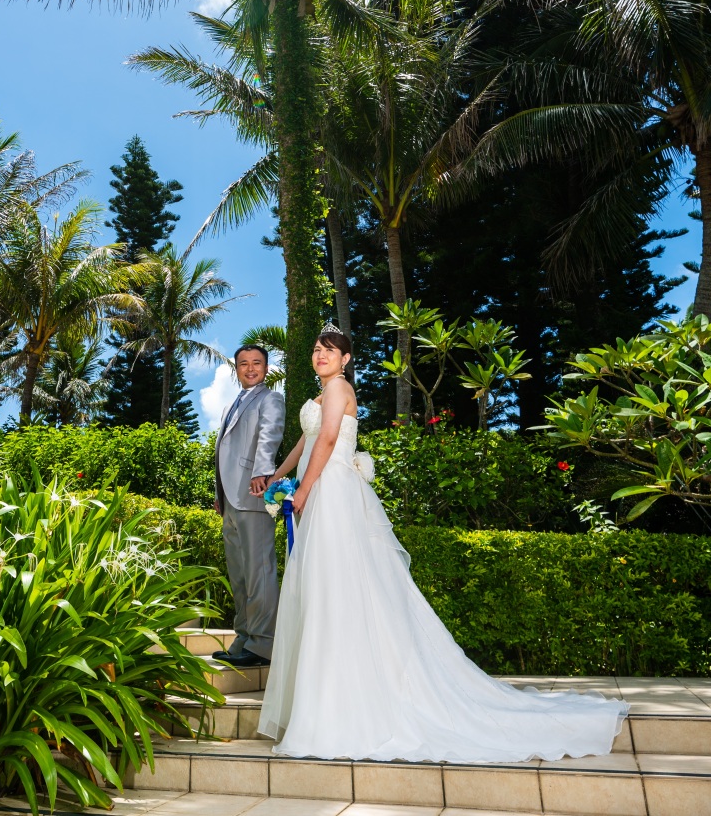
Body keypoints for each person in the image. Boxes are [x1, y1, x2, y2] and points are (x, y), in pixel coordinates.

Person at [258, 323, 629, 763]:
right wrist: (278, 477)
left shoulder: (339, 388)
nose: (321, 354)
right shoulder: (321, 396)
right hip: (321, 491)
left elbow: (330, 439)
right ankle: (326, 700)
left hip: (333, 492)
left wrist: (303, 490)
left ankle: (343, 706)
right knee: (326, 591)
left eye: (330, 350)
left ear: (345, 359)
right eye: (317, 348)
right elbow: (306, 442)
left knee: (339, 589)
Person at [213, 344, 285, 669]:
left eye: (257, 363)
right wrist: (220, 493)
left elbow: (270, 436)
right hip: (230, 500)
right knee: (239, 574)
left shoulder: (271, 399)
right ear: (237, 369)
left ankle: (262, 644)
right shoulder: (233, 403)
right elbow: (224, 453)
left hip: (254, 493)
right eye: (244, 364)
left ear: (266, 368)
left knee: (259, 572)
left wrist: (262, 472)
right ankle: (243, 638)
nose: (251, 368)